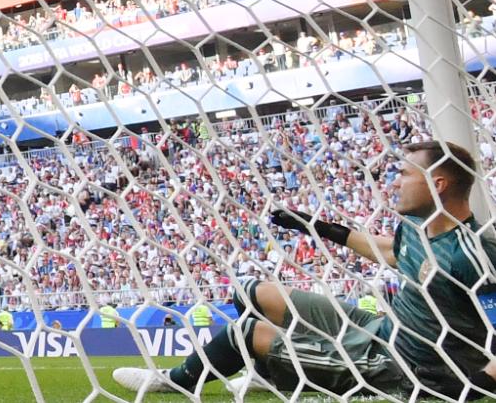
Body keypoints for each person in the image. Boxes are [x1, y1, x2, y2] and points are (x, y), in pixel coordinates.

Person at [113, 141, 496, 400]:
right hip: (384, 329)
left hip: (409, 367)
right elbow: (391, 253)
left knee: (244, 333)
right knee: (253, 292)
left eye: (406, 174)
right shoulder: (417, 226)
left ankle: (174, 382)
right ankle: (269, 371)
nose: (394, 181)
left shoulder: (476, 252)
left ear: (438, 183)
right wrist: (319, 227)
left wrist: (474, 386)